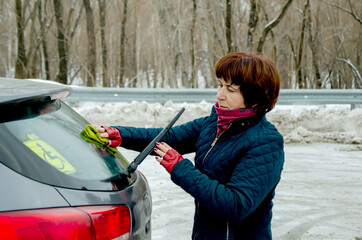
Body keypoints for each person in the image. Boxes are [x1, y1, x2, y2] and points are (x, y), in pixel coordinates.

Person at [94, 51, 284, 239]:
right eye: (220, 85)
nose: (219, 95)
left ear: (255, 97)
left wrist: (180, 168)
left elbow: (235, 205)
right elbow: (169, 138)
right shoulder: (214, 123)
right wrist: (121, 135)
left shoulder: (265, 142)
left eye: (230, 89)